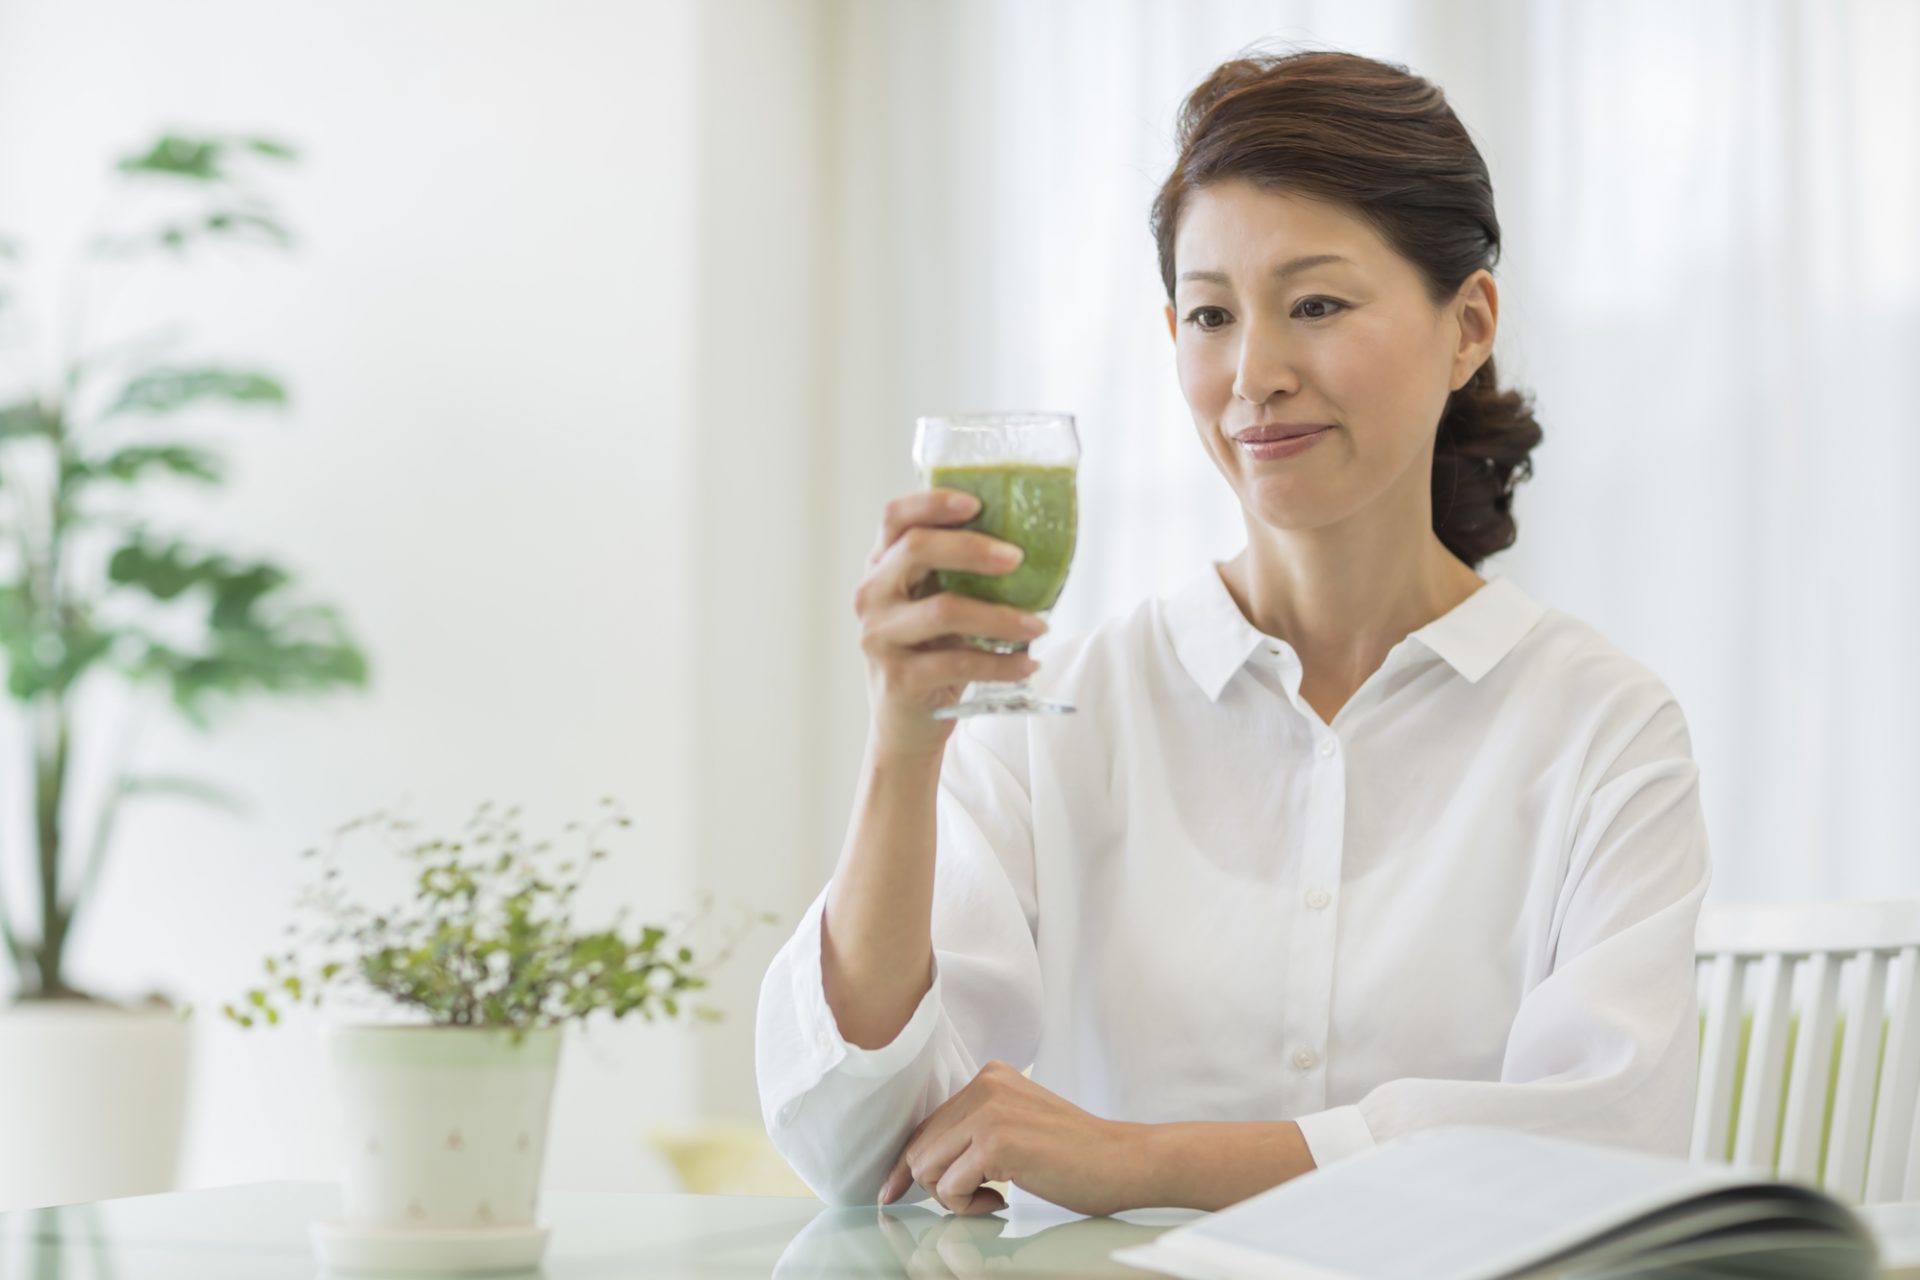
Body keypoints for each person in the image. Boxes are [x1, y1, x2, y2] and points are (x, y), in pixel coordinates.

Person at [755, 47, 1712, 1217]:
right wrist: (906, 745)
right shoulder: (1072, 710)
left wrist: (1143, 1160)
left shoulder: (1600, 726)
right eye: (1211, 314)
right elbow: (852, 1148)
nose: (1253, 373)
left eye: (1316, 304)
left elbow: (1603, 1141)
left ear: (1468, 325)